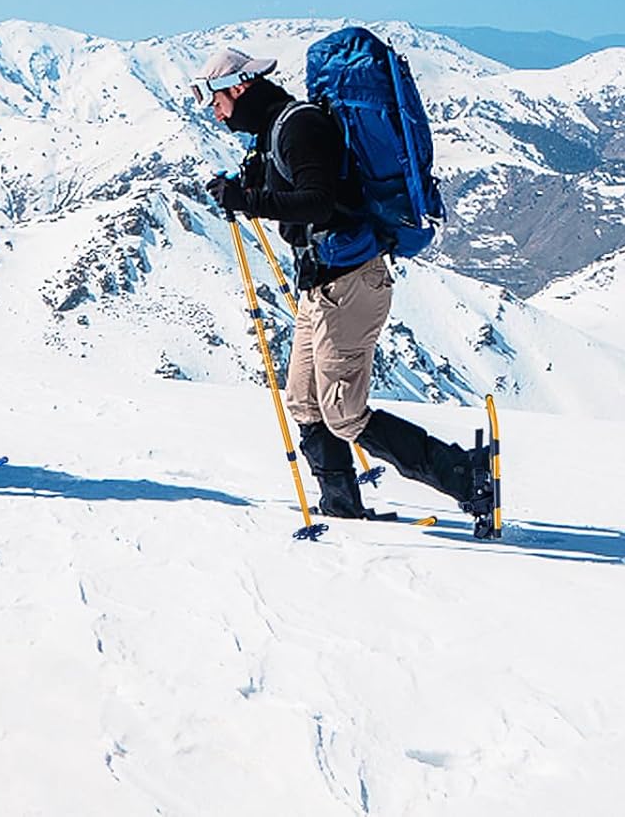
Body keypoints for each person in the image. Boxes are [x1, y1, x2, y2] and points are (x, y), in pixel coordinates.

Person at [193, 47, 493, 527]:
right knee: (304, 400)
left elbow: (316, 201)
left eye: (214, 98)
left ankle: (463, 474)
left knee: (343, 413)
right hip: (324, 285)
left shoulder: (299, 126)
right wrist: (252, 183)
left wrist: (249, 199)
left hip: (351, 283)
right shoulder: (275, 132)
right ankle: (341, 504)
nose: (214, 110)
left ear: (240, 87)